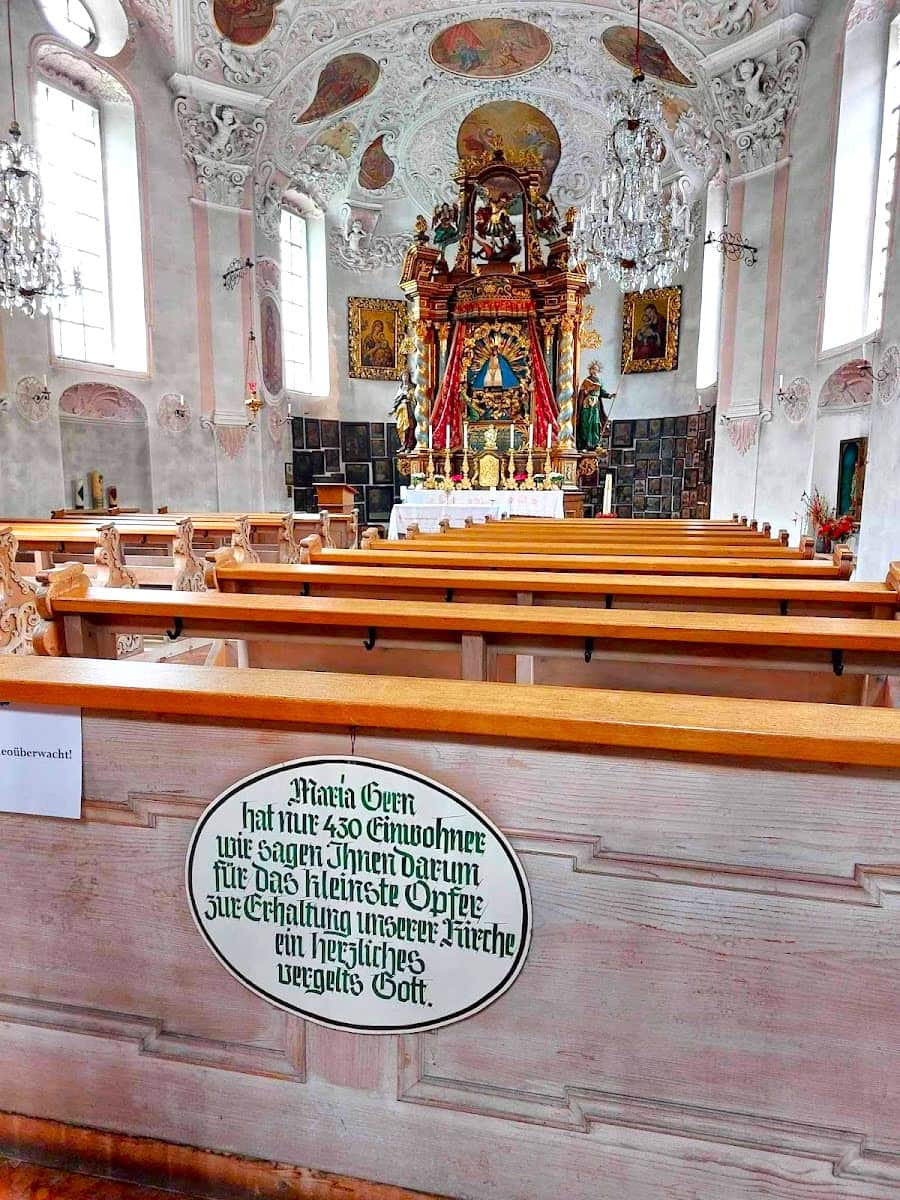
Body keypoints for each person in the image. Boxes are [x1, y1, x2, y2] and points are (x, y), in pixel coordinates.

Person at [577, 361, 615, 450]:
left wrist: (609, 395)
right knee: (586, 423)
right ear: (590, 370)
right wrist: (586, 391)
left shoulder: (599, 381)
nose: (594, 371)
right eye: (592, 369)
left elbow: (602, 392)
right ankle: (585, 443)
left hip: (595, 406)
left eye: (596, 369)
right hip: (587, 405)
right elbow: (582, 393)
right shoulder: (586, 381)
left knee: (595, 423)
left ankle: (594, 444)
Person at [390, 370, 416, 452]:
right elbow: (397, 399)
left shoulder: (412, 387)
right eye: (403, 376)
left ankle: (409, 445)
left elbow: (415, 399)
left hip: (409, 411)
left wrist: (409, 398)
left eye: (407, 376)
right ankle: (403, 444)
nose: (405, 378)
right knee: (401, 428)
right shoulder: (401, 388)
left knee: (410, 428)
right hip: (401, 411)